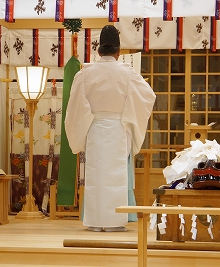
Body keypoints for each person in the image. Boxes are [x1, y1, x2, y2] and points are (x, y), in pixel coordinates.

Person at [64, 25, 156, 232]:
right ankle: (115, 221)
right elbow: (148, 96)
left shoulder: (85, 74)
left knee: (96, 175)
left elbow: (75, 107)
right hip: (118, 128)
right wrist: (129, 113)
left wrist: (81, 129)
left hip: (95, 128)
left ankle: (96, 222)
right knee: (116, 174)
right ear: (119, 51)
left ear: (98, 51)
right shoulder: (127, 73)